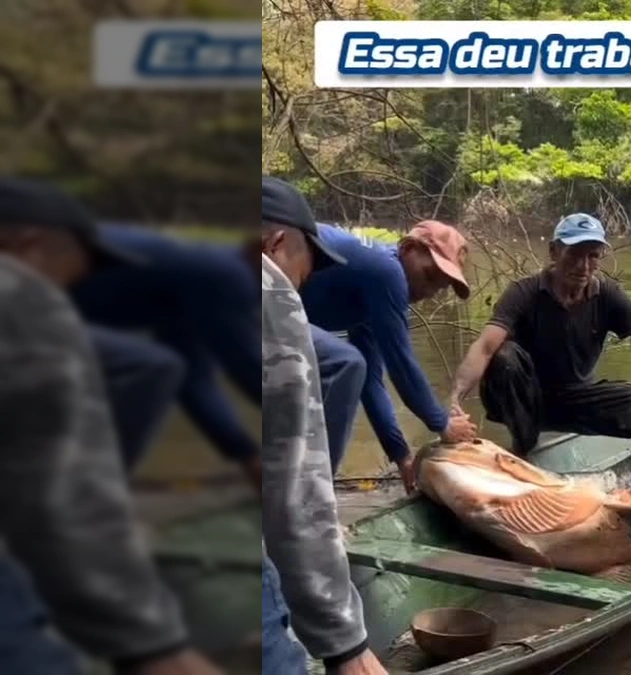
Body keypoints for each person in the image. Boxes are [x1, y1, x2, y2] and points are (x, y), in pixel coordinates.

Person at [0, 176, 222, 674]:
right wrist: (153, 645)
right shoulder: (18, 290)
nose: (65, 293)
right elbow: (64, 492)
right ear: (27, 245)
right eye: (64, 278)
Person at [447, 213, 631, 456]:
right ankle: (524, 445)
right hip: (524, 400)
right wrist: (453, 400)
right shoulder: (524, 292)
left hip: (575, 397)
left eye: (593, 256)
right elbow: (484, 348)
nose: (583, 266)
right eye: (574, 254)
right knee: (504, 356)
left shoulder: (607, 295)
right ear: (554, 251)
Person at [259, 176, 387, 675]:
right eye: (302, 275)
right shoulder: (265, 287)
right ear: (276, 244)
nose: (299, 287)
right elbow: (295, 489)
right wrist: (345, 646)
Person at [70, 223, 262, 484]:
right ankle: (91, 486)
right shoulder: (226, 275)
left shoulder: (202, 278)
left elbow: (193, 377)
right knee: (148, 367)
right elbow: (249, 368)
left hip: (47, 302)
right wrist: (306, 423)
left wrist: (246, 455)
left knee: (155, 367)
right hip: (28, 291)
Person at [298, 220, 476, 487]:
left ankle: (302, 490)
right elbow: (401, 364)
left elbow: (371, 380)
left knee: (349, 367)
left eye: (438, 288)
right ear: (407, 248)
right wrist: (442, 423)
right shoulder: (387, 271)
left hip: (272, 311)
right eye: (429, 276)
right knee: (344, 363)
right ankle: (313, 499)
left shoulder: (375, 286)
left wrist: (401, 455)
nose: (427, 292)